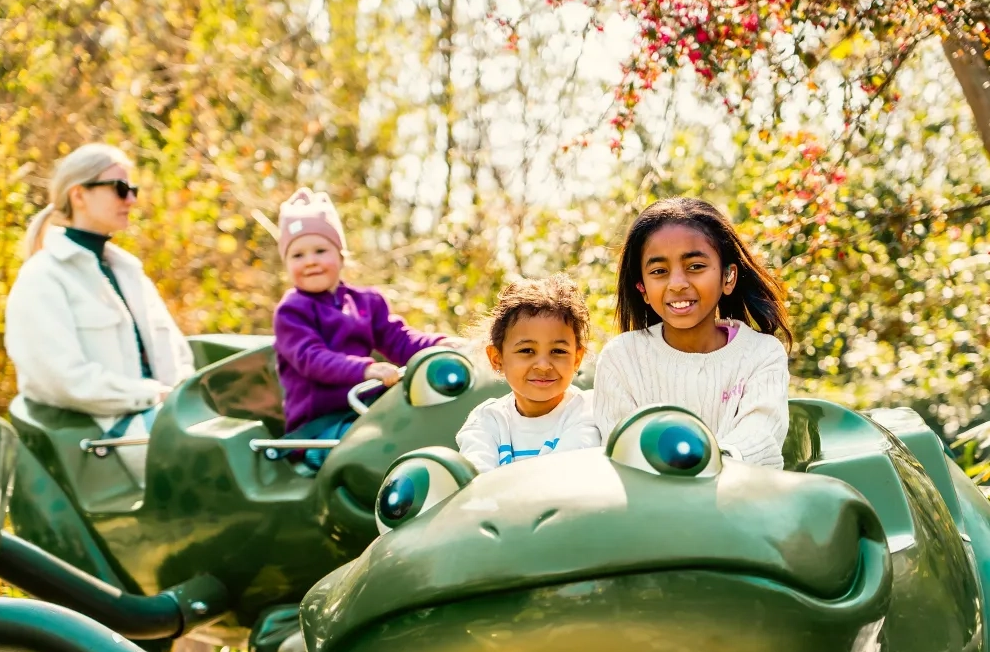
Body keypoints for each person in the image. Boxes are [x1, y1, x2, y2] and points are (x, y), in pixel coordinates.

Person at [5, 143, 195, 479]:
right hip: (106, 438)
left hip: (166, 420)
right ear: (79, 195)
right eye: (120, 189)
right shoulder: (43, 277)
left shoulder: (129, 272)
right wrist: (150, 396)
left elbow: (176, 354)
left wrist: (181, 400)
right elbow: (61, 379)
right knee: (216, 455)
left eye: (132, 190)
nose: (131, 200)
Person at [593, 197, 792, 468]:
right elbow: (623, 452)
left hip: (741, 502)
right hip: (652, 507)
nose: (677, 284)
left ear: (728, 277)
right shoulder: (621, 358)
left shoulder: (762, 354)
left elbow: (759, 439)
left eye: (695, 266)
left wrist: (704, 464)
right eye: (659, 271)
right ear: (643, 289)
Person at [272, 187, 461, 469]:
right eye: (297, 255)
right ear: (286, 264)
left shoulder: (366, 302)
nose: (310, 261)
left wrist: (440, 345)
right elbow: (312, 358)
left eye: (320, 250)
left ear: (341, 255)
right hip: (321, 430)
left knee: (427, 425)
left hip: (368, 412)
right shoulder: (292, 311)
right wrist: (365, 369)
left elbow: (399, 339)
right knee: (375, 449)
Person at [455, 273, 601, 473]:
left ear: (576, 358)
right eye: (526, 351)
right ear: (497, 358)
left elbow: (567, 473)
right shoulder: (487, 420)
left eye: (558, 351)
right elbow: (475, 483)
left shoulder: (590, 410)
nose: (543, 366)